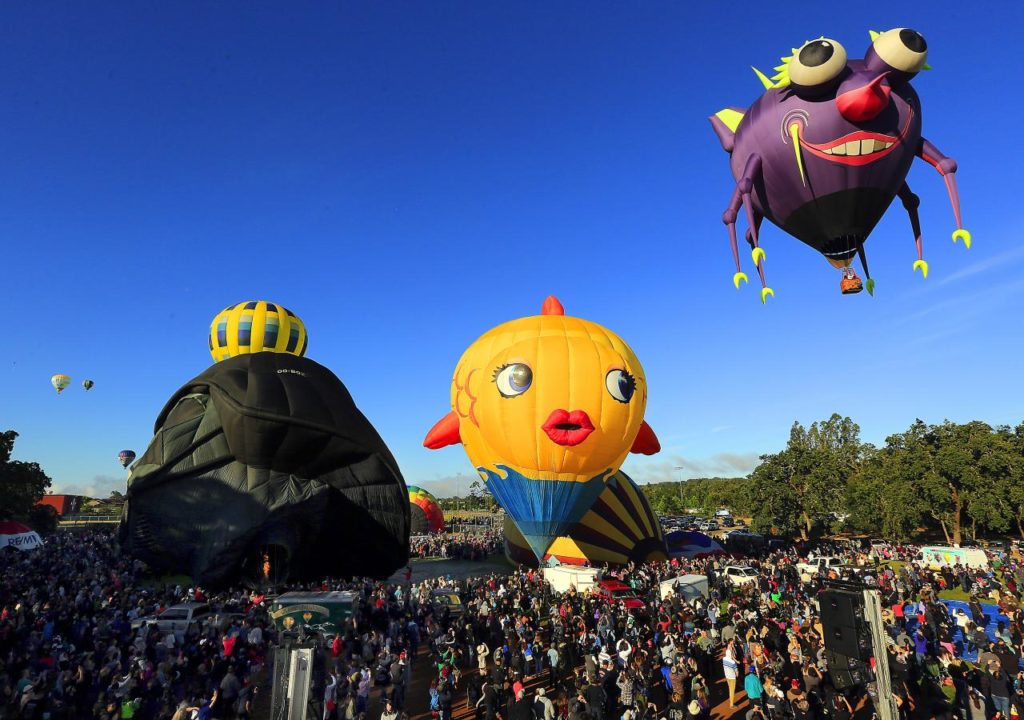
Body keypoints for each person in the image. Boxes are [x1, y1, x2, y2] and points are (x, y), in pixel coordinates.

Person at [723, 639, 740, 708]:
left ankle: (731, 701)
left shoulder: (724, 659)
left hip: (727, 676)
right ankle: (731, 704)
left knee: (730, 689)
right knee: (732, 690)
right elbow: (737, 672)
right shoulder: (733, 663)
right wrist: (737, 673)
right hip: (732, 677)